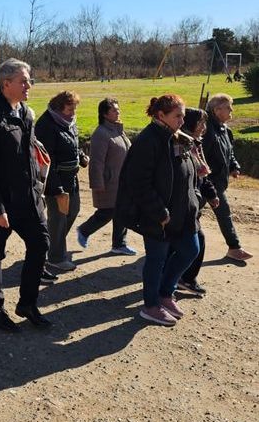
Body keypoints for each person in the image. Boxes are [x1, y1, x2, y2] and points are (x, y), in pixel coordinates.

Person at [0, 58, 51, 332]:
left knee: (41, 245)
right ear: (7, 84)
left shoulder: (25, 112)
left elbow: (29, 156)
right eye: (24, 81)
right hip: (1, 203)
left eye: (28, 80)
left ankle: (27, 303)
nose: (29, 85)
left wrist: (39, 190)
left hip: (28, 198)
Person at [116, 94, 200, 327]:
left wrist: (197, 197)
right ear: (160, 115)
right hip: (159, 216)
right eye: (177, 116)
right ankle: (151, 306)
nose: (182, 120)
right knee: (156, 260)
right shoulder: (148, 141)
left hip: (184, 212)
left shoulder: (179, 138)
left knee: (190, 250)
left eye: (183, 115)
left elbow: (189, 174)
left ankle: (165, 294)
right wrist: (159, 213)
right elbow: (138, 183)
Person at [77, 97, 137, 256]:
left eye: (118, 109)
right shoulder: (101, 134)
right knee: (107, 213)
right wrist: (98, 184)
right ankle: (83, 230)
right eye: (114, 110)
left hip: (122, 181)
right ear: (104, 114)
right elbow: (96, 162)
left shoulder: (118, 130)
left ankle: (119, 244)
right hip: (109, 182)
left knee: (121, 212)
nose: (118, 112)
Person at [34, 90, 82, 274]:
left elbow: (72, 144)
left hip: (72, 178)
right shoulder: (46, 125)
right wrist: (56, 187)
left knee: (73, 211)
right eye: (70, 108)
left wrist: (80, 155)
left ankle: (53, 245)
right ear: (59, 107)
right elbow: (46, 159)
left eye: (75, 108)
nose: (73, 112)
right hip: (57, 181)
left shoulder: (69, 122)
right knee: (58, 218)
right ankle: (55, 258)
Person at [202, 93, 252, 262]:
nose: (232, 110)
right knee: (192, 214)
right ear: (216, 110)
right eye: (228, 107)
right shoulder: (206, 130)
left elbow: (229, 154)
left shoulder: (226, 130)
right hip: (205, 182)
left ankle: (234, 247)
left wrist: (234, 167)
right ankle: (234, 247)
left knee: (221, 214)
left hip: (219, 183)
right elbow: (199, 156)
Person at [176, 108, 219, 296]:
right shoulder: (181, 145)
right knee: (195, 241)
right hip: (183, 205)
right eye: (200, 123)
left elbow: (203, 177)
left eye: (205, 123)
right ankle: (182, 279)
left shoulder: (196, 145)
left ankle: (178, 279)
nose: (204, 127)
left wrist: (211, 194)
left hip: (194, 204)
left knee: (187, 243)